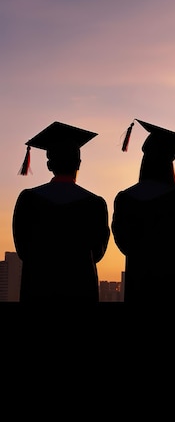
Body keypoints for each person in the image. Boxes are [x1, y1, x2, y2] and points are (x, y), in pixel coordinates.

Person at [13, 121, 110, 302]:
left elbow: (23, 250)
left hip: (38, 288)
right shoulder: (95, 204)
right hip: (80, 289)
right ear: (78, 163)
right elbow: (97, 253)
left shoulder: (28, 200)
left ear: (49, 165)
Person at [112, 119, 175, 302]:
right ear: (170, 160)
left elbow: (124, 244)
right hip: (174, 289)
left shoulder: (125, 199)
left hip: (138, 286)